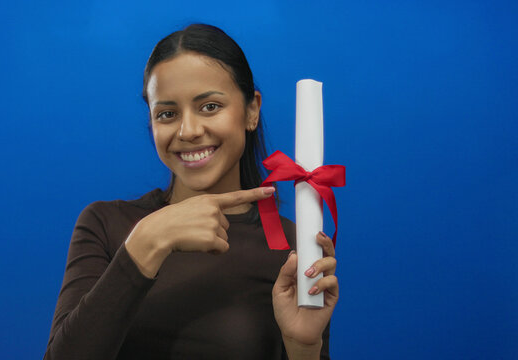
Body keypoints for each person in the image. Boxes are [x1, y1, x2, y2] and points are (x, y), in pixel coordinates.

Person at [44, 23, 338, 360]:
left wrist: (303, 347)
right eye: (167, 113)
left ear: (252, 110)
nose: (188, 131)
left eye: (210, 106)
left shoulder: (294, 250)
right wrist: (146, 243)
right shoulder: (105, 224)